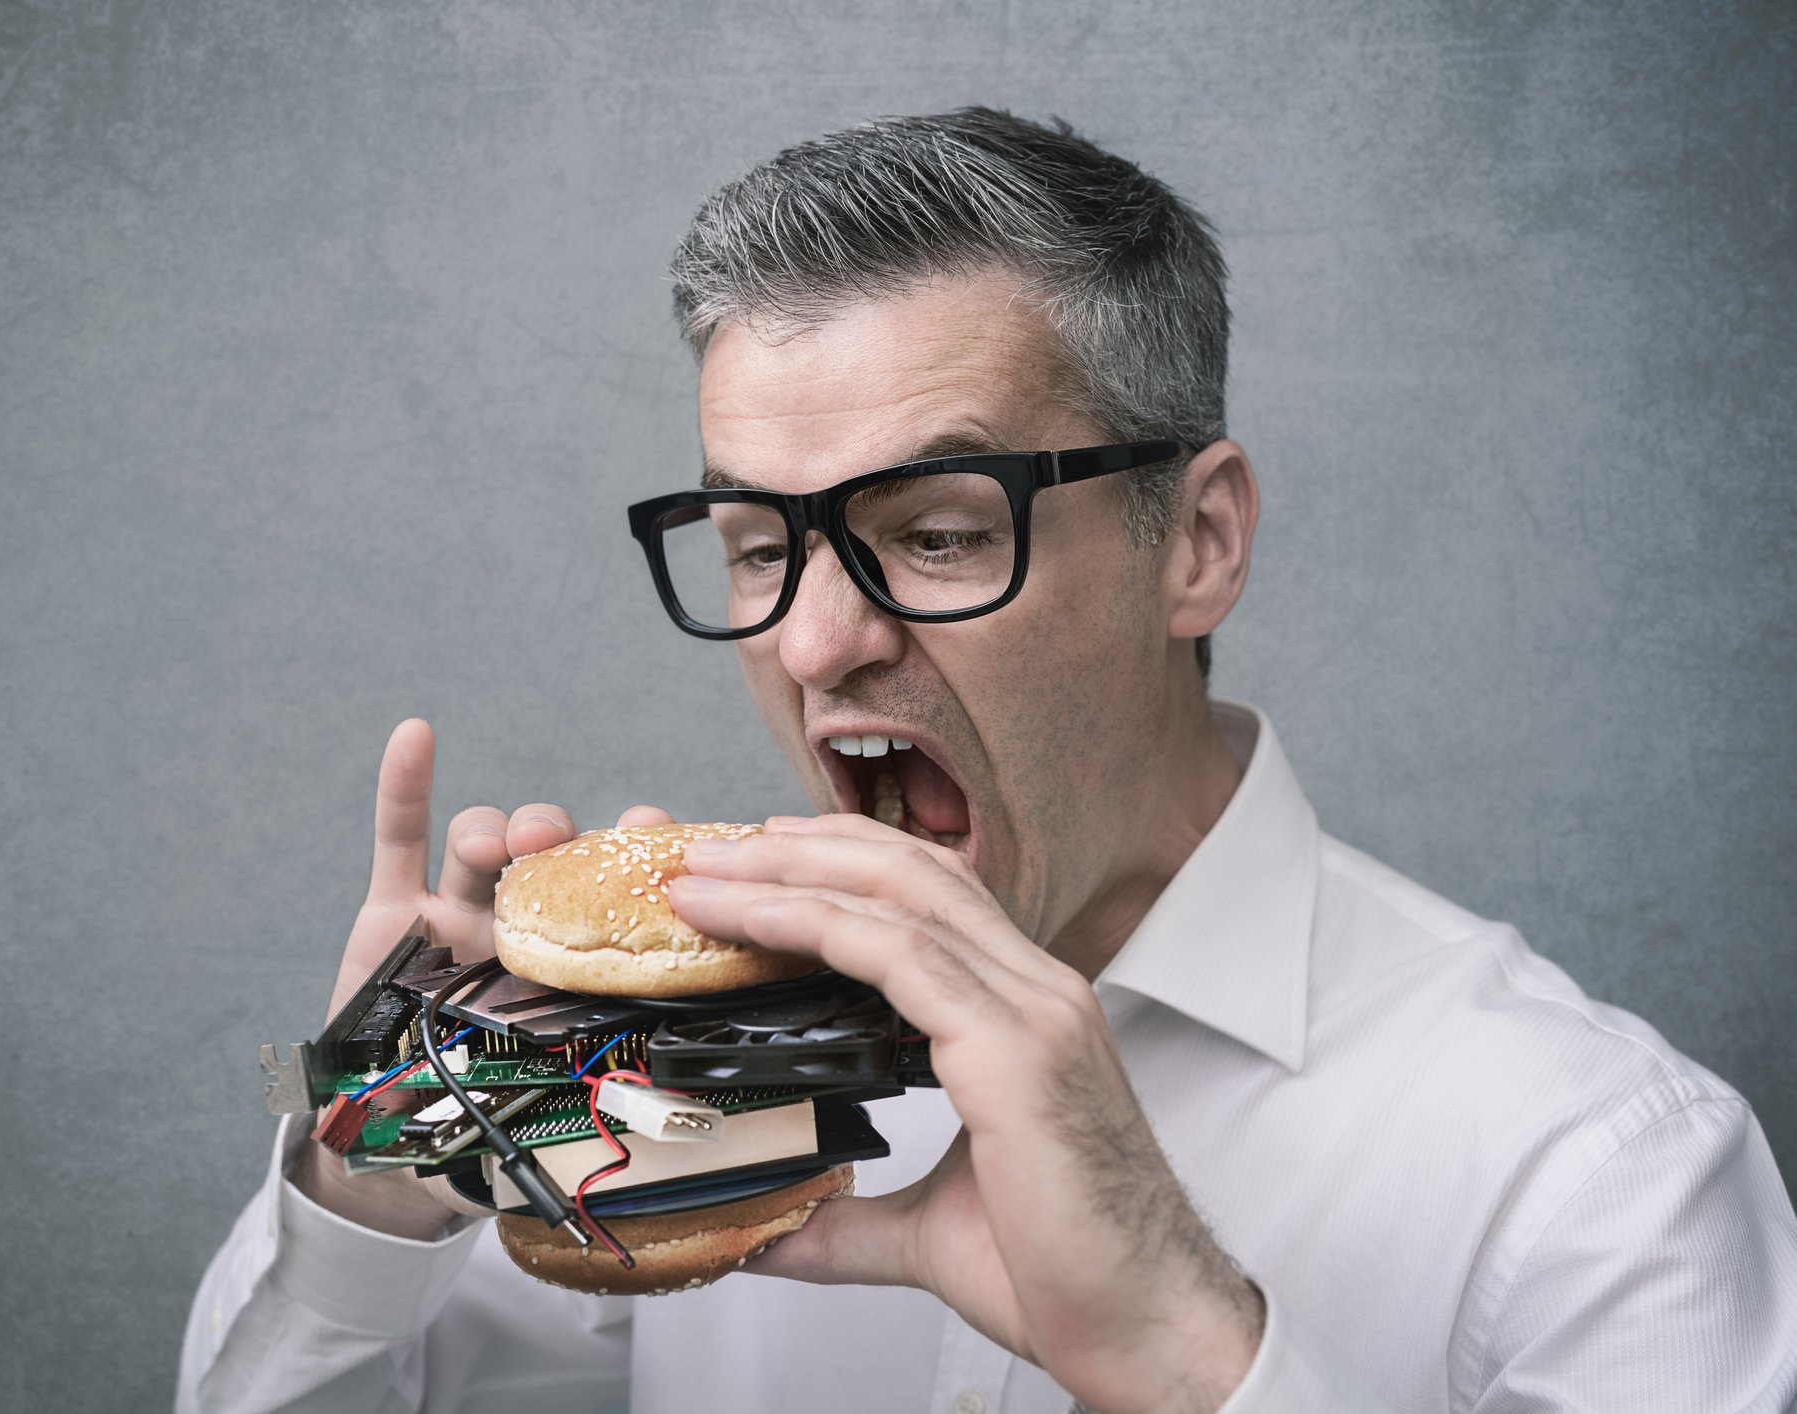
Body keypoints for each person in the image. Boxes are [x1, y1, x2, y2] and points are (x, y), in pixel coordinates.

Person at [177, 109, 1797, 1413]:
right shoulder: (660, 1086)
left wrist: (1190, 1352)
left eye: (939, 533)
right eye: (755, 548)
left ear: (1202, 541)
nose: (812, 646)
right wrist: (388, 1144)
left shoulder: (1600, 1172)